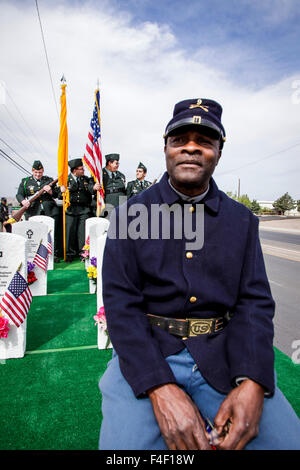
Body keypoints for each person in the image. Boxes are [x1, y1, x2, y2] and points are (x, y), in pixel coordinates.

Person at [99, 98, 300, 450]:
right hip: (148, 352)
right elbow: (120, 307)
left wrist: (253, 380)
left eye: (204, 141)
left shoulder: (242, 221)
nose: (191, 147)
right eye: (179, 140)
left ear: (219, 152)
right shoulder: (129, 216)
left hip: (224, 354)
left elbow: (254, 304)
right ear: (166, 148)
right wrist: (159, 387)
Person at [16, 160, 60, 261]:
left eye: (40, 172)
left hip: (49, 211)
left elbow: (57, 194)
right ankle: (33, 254)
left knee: (52, 233)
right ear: (32, 171)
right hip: (33, 211)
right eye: (36, 172)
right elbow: (19, 194)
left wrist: (50, 191)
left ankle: (54, 255)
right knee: (33, 233)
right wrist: (23, 201)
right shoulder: (25, 181)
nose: (38, 174)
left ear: (43, 171)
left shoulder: (49, 180)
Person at [61, 158, 99, 262]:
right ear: (74, 170)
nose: (83, 171)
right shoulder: (65, 179)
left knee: (82, 233)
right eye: (81, 169)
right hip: (70, 209)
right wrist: (61, 190)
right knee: (69, 232)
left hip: (84, 209)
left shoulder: (86, 179)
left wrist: (94, 187)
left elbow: (91, 187)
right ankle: (69, 254)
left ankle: (83, 254)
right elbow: (58, 193)